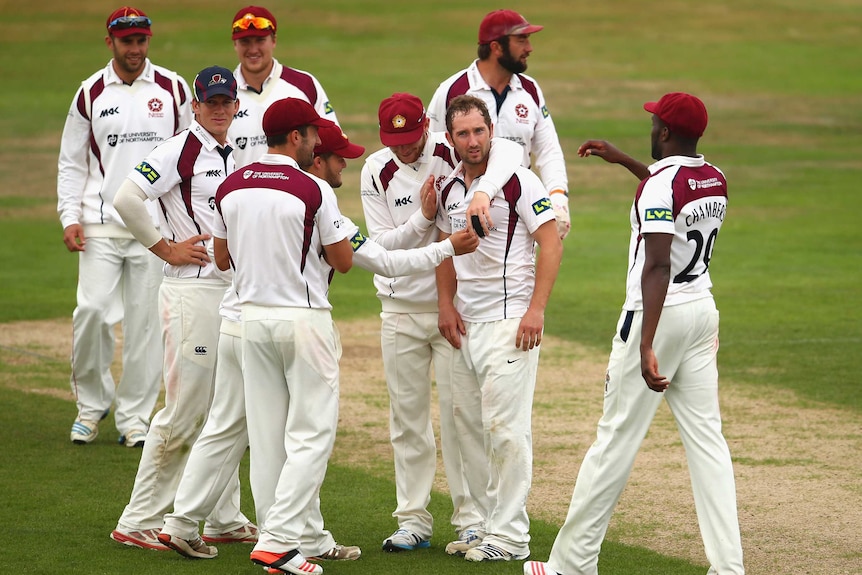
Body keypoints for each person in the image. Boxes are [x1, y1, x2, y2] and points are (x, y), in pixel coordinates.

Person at [523, 92, 744, 575]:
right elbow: (669, 191)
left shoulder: (659, 187)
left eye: (654, 123)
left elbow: (658, 263)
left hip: (657, 315)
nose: (651, 129)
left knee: (615, 441)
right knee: (709, 443)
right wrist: (623, 160)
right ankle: (729, 568)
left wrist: (645, 343)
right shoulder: (715, 179)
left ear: (664, 133)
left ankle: (571, 565)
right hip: (703, 311)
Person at [359, 92, 522, 553]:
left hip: (453, 308)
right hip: (399, 309)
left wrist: (485, 190)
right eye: (396, 141)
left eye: (412, 139)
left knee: (462, 417)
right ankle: (413, 520)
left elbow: (507, 151)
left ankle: (472, 519)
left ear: (428, 130)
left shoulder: (451, 148)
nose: (405, 149)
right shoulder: (376, 169)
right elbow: (383, 246)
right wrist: (424, 218)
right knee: (407, 421)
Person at [110, 65, 254, 551]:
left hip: (224, 293)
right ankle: (138, 519)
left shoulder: (230, 153)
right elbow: (126, 199)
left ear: (236, 105)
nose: (218, 109)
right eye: (209, 102)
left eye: (225, 101)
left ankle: (223, 516)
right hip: (191, 292)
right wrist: (165, 247)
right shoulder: (179, 149)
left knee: (225, 407)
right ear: (195, 105)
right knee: (187, 410)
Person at [211, 97, 352, 575]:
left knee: (268, 440)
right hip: (302, 319)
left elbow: (222, 259)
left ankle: (291, 541)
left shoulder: (231, 186)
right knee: (311, 437)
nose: (316, 141)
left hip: (250, 320)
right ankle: (276, 542)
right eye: (311, 133)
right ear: (296, 137)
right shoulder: (312, 188)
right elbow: (343, 260)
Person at [435, 95, 562, 562]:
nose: (473, 141)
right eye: (463, 134)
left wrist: (537, 310)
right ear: (450, 139)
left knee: (506, 431)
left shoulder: (519, 181)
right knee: (468, 427)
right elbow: (445, 251)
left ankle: (511, 537)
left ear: (492, 131)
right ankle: (484, 526)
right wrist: (445, 304)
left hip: (511, 323)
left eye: (479, 132)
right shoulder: (449, 188)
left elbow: (550, 243)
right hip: (464, 326)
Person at [57, 6, 192, 447]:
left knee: (145, 324)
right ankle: (91, 407)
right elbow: (71, 161)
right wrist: (69, 216)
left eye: (140, 40)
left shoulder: (173, 88)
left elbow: (189, 159)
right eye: (125, 41)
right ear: (110, 41)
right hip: (100, 224)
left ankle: (134, 417)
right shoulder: (90, 92)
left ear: (149, 40)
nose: (134, 49)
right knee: (92, 312)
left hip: (155, 230)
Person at [427, 9, 571, 241]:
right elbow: (434, 152)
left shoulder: (530, 90)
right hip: (466, 212)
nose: (529, 48)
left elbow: (548, 149)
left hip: (521, 209)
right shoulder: (452, 90)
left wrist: (557, 196)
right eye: (521, 40)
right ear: (496, 47)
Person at [228, 5, 339, 168]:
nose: (253, 49)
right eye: (245, 41)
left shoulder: (305, 84)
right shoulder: (221, 95)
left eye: (260, 40)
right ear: (235, 44)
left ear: (273, 41)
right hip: (240, 192)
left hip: (296, 192)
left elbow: (331, 141)